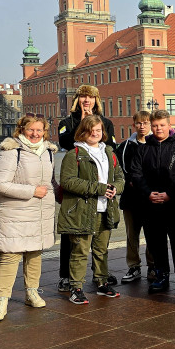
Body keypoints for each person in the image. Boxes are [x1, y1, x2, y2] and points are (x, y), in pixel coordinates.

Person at [0, 115, 58, 321]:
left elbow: (50, 182)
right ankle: (1, 301)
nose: (35, 134)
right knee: (10, 256)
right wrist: (32, 191)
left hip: (40, 211)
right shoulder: (11, 152)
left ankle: (32, 292)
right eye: (31, 130)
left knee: (35, 253)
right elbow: (1, 184)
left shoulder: (48, 152)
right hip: (14, 213)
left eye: (40, 130)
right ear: (21, 130)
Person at [55, 84, 117, 293]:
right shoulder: (67, 122)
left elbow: (112, 147)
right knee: (73, 242)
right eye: (83, 97)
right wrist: (82, 124)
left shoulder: (106, 122)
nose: (86, 100)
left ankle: (100, 276)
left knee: (100, 245)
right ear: (77, 100)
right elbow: (64, 141)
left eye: (90, 97)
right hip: (79, 195)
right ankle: (68, 277)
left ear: (96, 100)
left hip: (100, 200)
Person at [127, 110, 175, 295]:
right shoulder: (142, 149)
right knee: (156, 243)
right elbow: (136, 173)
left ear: (169, 126)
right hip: (150, 205)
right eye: (155, 125)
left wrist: (170, 194)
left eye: (162, 125)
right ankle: (161, 274)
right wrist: (148, 193)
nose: (158, 128)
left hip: (174, 205)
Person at [116, 111, 154, 283]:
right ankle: (134, 266)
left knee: (152, 233)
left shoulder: (155, 144)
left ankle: (153, 266)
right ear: (134, 125)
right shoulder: (124, 147)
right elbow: (119, 170)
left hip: (150, 198)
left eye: (145, 123)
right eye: (139, 123)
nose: (142, 126)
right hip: (131, 197)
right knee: (132, 234)